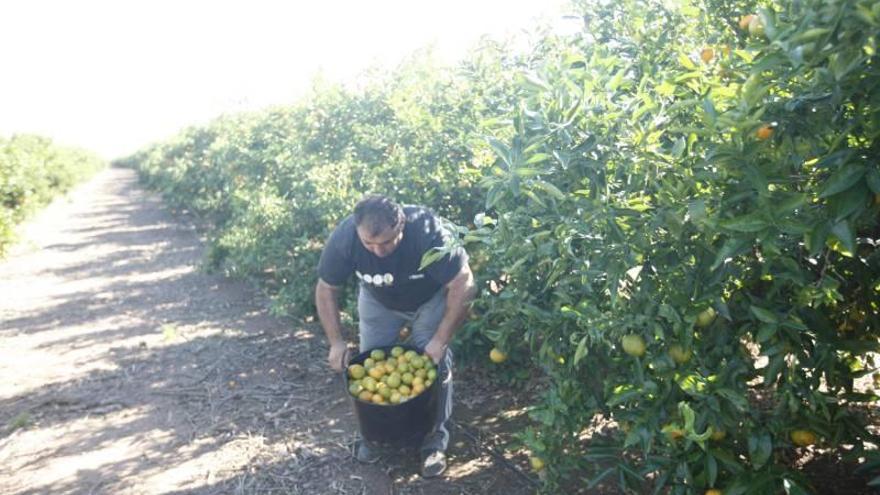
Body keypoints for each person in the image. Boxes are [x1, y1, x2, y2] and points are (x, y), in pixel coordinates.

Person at [315, 194, 475, 478]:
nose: (378, 251)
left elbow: (464, 283)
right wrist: (336, 341)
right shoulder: (345, 238)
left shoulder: (427, 231)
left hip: (429, 300)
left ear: (402, 225)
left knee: (433, 361)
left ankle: (435, 440)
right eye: (369, 244)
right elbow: (326, 288)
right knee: (369, 372)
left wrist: (440, 339)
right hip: (379, 302)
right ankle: (377, 436)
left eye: (387, 242)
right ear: (357, 231)